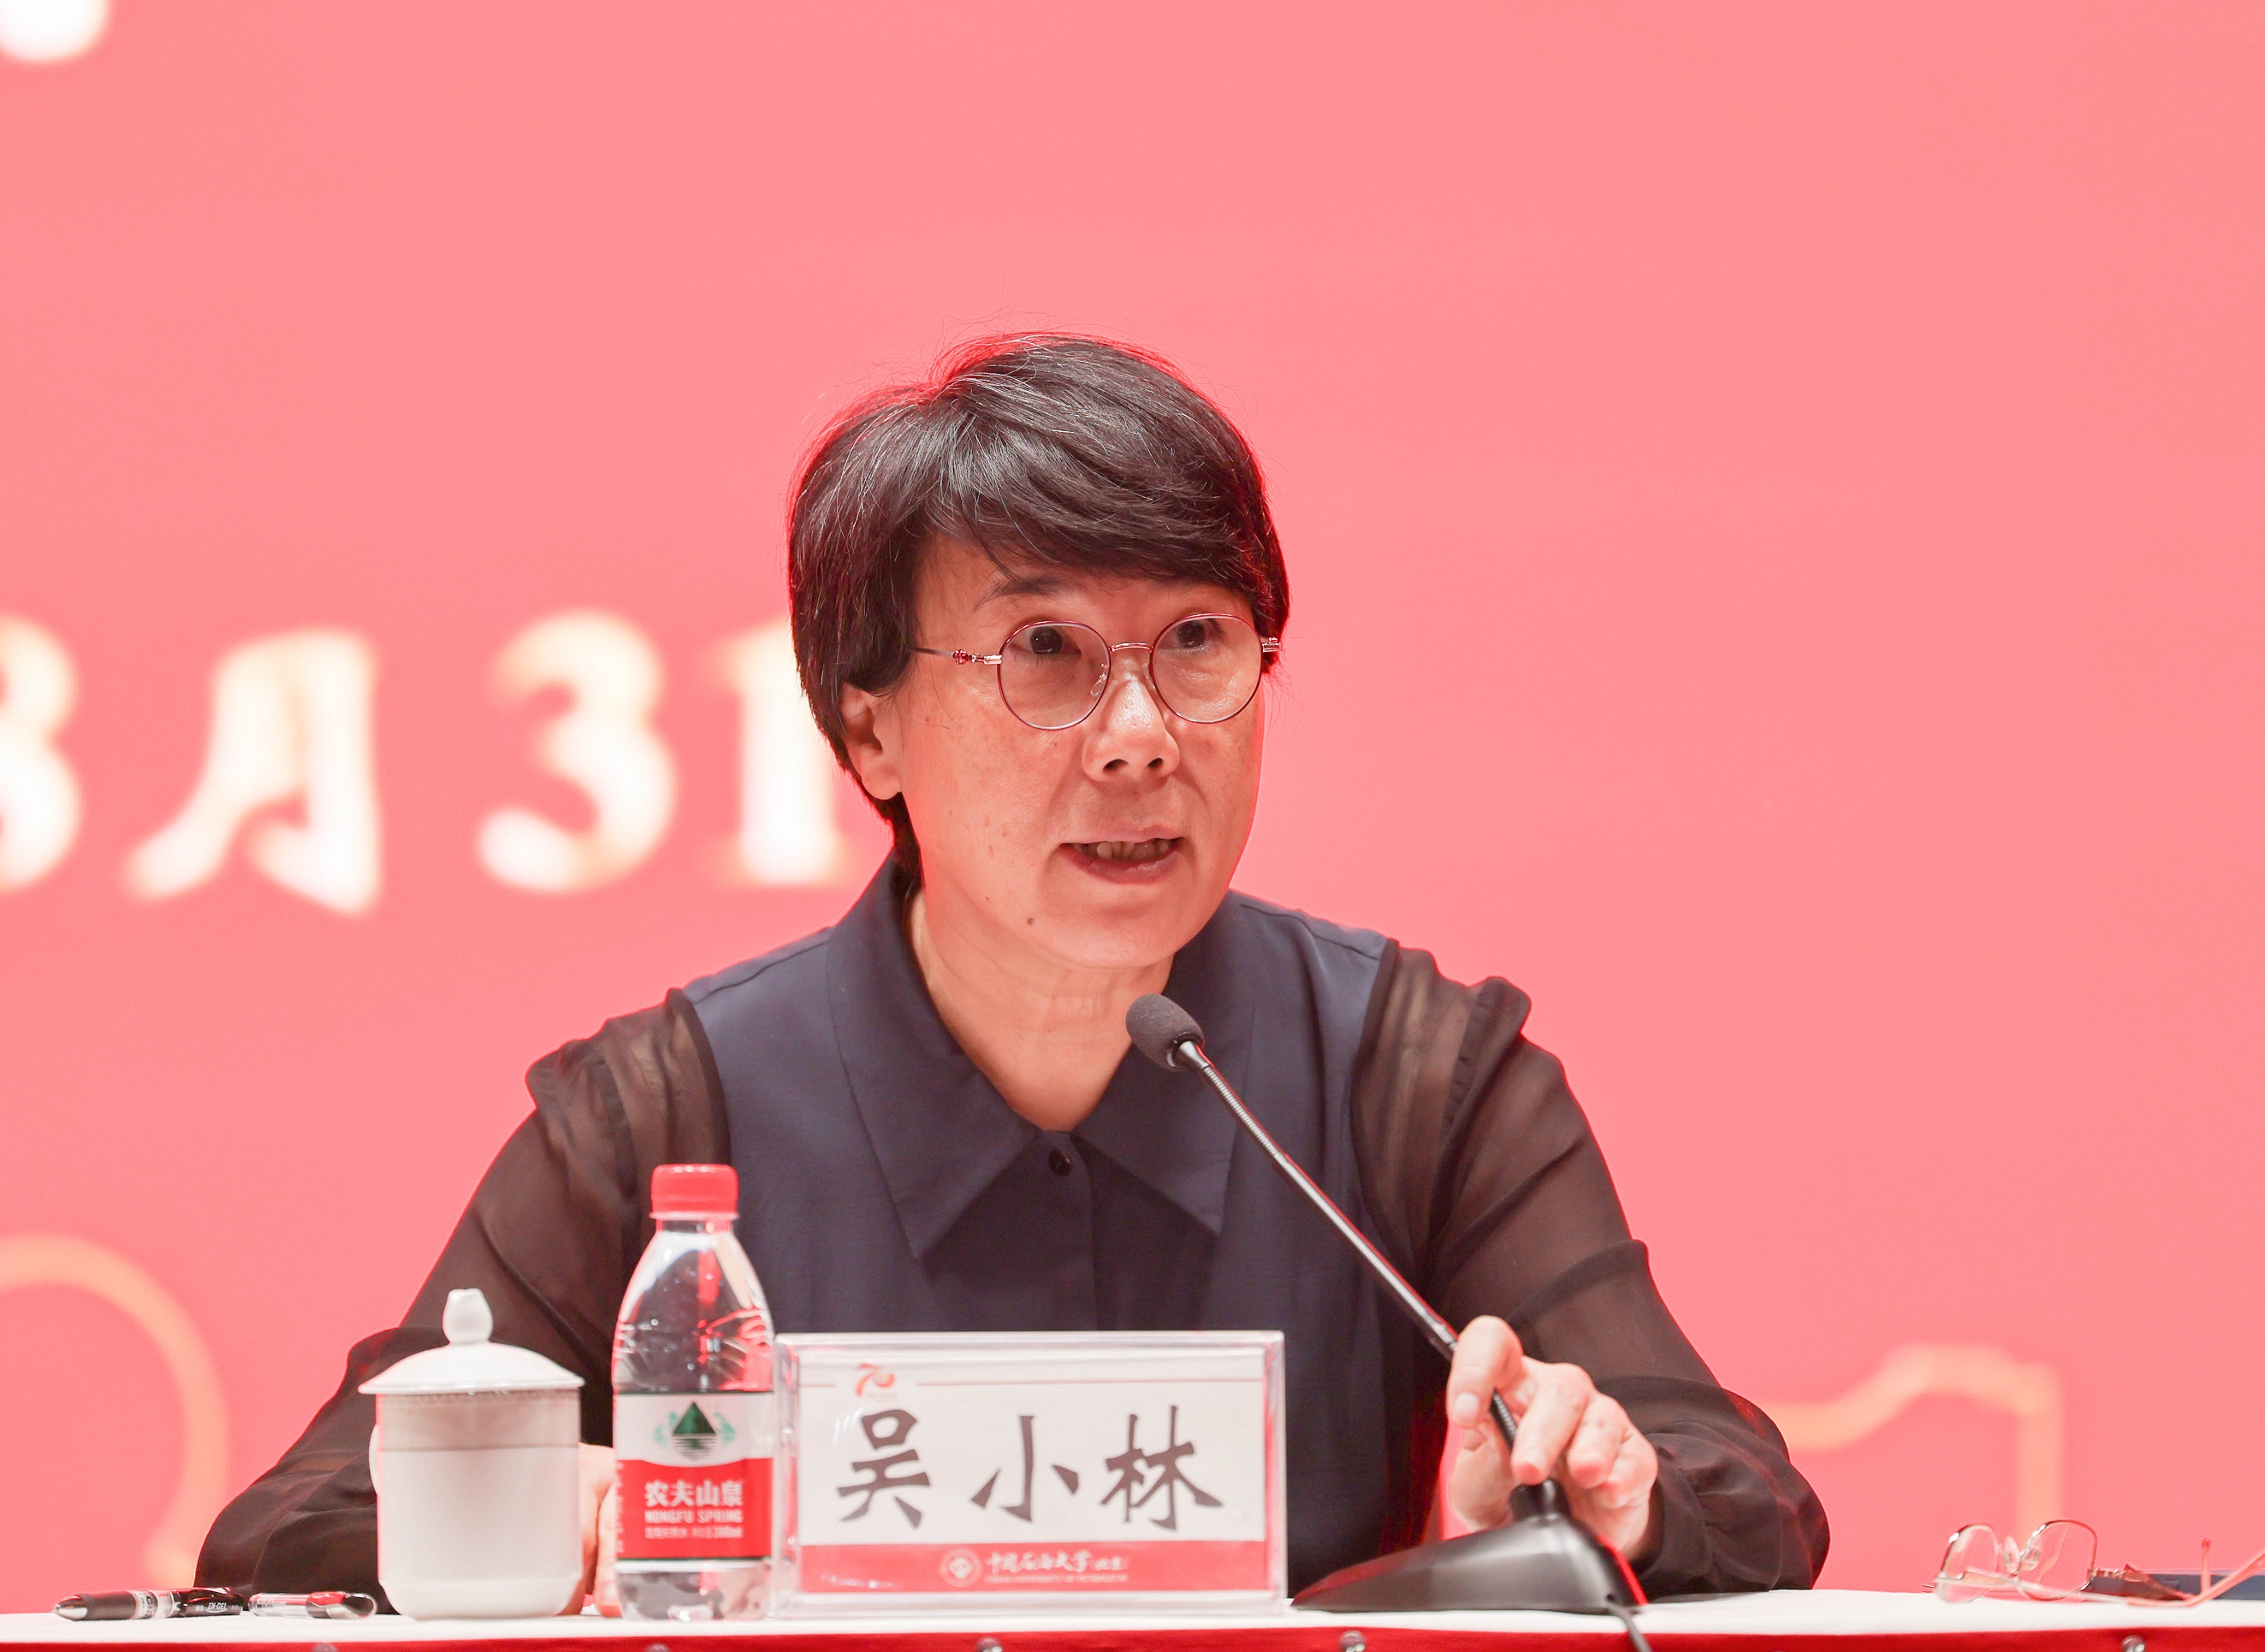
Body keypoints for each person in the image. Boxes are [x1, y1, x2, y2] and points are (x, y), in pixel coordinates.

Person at [199, 335, 1827, 1606]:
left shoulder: (1419, 1077)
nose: (1139, 737)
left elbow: (1740, 1489)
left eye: (1198, 644)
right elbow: (281, 1533)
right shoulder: (668, 1112)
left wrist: (1610, 1489)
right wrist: (548, 1506)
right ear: (869, 732)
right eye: (1045, 653)